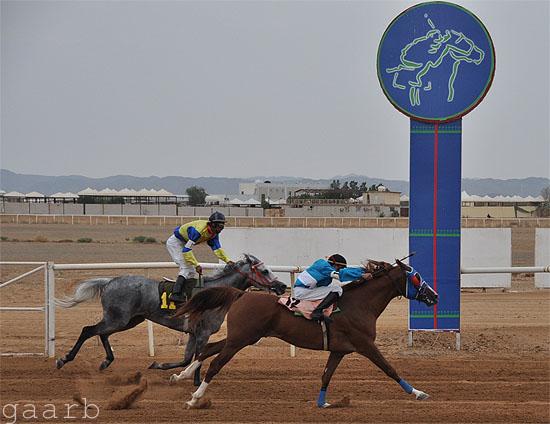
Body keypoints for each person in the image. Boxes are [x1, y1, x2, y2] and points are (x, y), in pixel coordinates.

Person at [166, 211, 234, 303]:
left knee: (192, 271)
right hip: (175, 243)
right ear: (213, 224)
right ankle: (175, 294)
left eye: (222, 226)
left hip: (184, 243)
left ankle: (185, 292)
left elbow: (217, 250)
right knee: (186, 268)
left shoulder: (214, 234)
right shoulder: (198, 231)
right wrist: (196, 264)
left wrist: (228, 261)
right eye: (220, 226)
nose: (221, 229)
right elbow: (186, 250)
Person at [294, 254, 372, 322]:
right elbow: (340, 274)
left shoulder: (323, 264)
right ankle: (317, 312)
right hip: (303, 292)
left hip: (305, 290)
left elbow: (345, 271)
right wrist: (360, 275)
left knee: (333, 287)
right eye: (340, 268)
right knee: (337, 289)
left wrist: (361, 271)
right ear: (335, 265)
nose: (340, 270)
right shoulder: (325, 268)